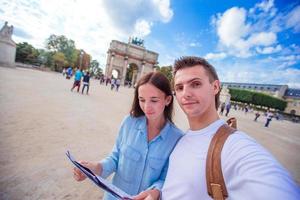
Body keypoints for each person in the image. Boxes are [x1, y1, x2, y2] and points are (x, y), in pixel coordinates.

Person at [162, 56, 300, 200]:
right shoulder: (183, 137)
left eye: (196, 84)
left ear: (215, 87)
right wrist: (158, 192)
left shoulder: (236, 146)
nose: (186, 93)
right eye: (179, 88)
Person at [72, 72, 183, 200]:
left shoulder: (177, 138)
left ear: (168, 100)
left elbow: (166, 178)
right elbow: (115, 158)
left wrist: (156, 191)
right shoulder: (128, 122)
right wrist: (95, 167)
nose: (147, 107)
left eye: (154, 100)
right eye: (142, 100)